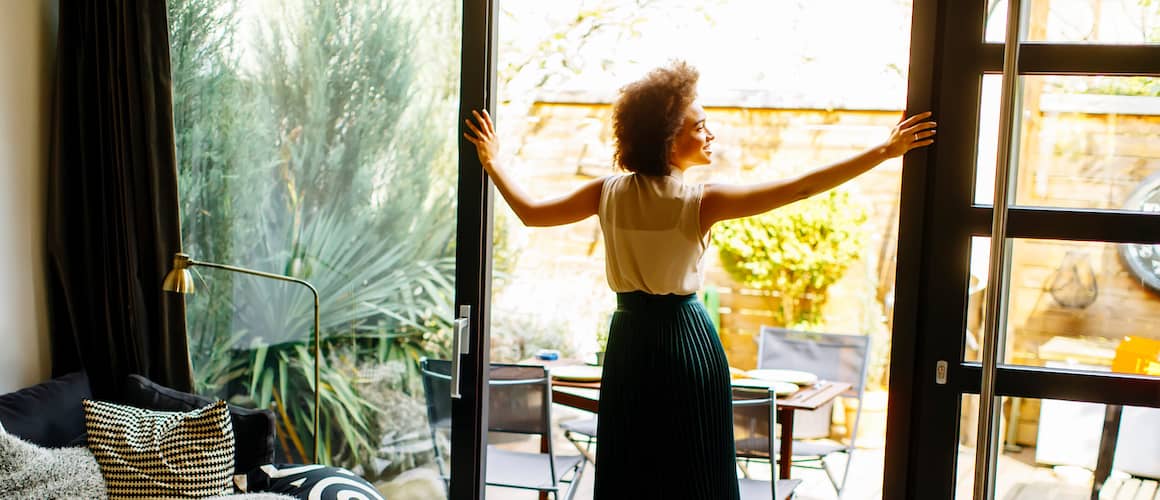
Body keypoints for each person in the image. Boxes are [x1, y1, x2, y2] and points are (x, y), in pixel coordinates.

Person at [464, 60, 935, 499]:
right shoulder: (700, 202)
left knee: (629, 461)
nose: (711, 134)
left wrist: (494, 162)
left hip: (629, 339)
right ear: (669, 139)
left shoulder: (606, 193)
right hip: (688, 340)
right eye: (700, 126)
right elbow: (801, 188)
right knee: (696, 465)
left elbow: (529, 213)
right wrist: (885, 151)